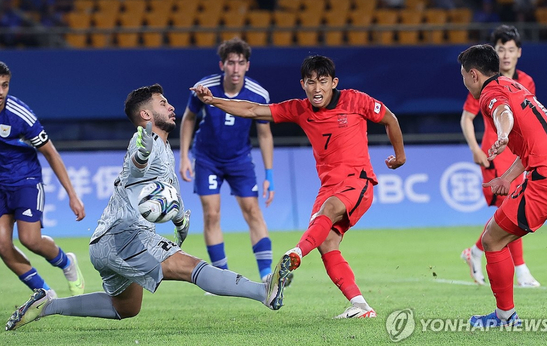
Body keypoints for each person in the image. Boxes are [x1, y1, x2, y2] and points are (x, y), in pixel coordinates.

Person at [6, 83, 285, 331]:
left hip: (106, 242)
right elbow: (139, 165)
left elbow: (163, 197)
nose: (171, 106)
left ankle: (48, 305)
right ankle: (263, 291)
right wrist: (141, 154)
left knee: (126, 308)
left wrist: (179, 222)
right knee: (191, 267)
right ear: (146, 116)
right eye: (163, 103)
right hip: (126, 235)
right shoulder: (145, 141)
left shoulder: (163, 147)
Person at [191, 55, 406, 318]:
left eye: (323, 82)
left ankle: (296, 253)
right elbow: (252, 110)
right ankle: (360, 305)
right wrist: (213, 101)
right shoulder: (299, 109)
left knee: (327, 211)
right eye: (311, 82)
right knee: (327, 245)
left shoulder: (356, 100)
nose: (317, 89)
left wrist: (400, 156)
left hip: (358, 180)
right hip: (328, 185)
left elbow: (390, 119)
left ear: (334, 83)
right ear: (302, 84)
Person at [458, 44, 547, 327]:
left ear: (474, 75)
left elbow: (503, 113)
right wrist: (507, 178)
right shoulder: (514, 85)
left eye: (464, 75)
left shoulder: (490, 94)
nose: (464, 81)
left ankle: (504, 317)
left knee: (492, 239)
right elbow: (531, 144)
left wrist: (501, 134)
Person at [180, 38, 276, 282]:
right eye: (231, 63)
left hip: (239, 160)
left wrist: (270, 176)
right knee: (212, 215)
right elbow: (189, 119)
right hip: (207, 158)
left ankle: (266, 276)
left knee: (253, 211)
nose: (235, 68)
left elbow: (264, 134)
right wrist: (183, 156)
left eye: (240, 63)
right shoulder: (204, 88)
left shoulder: (258, 94)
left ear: (247, 66)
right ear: (222, 65)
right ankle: (221, 278)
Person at [459, 25, 540, 287]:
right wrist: (475, 149)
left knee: (510, 211)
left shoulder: (525, 81)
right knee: (509, 208)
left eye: (511, 49)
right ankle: (521, 270)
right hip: (495, 154)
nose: (506, 55)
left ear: (519, 53)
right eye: (501, 49)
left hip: (518, 154)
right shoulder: (483, 84)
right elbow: (468, 118)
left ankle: (476, 250)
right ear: (494, 53)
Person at [0, 61, 85, 299]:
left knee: (30, 240)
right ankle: (45, 294)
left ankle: (67, 262)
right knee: (2, 245)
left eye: (5, 85)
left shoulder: (20, 115)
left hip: (25, 180)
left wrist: (72, 195)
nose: (0, 92)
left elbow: (51, 152)